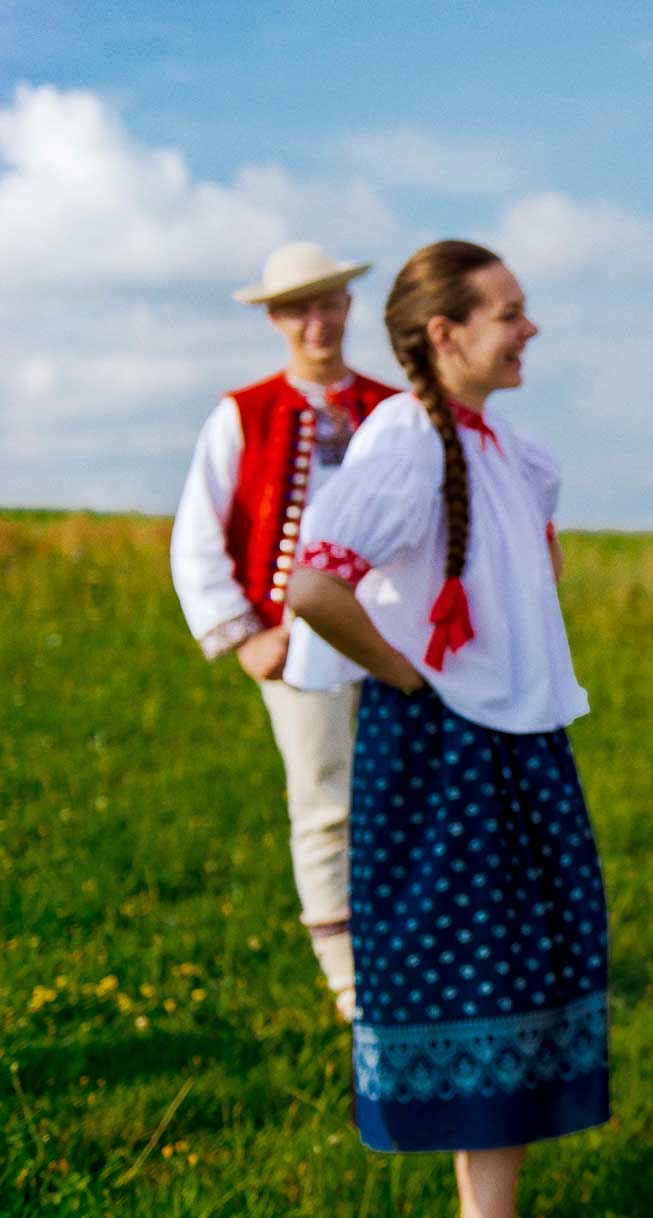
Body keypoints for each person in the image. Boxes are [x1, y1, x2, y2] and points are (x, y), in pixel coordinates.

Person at [284, 241, 609, 1218]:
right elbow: (313, 584)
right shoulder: (405, 439)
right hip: (445, 747)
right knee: (477, 974)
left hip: (509, 741)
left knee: (520, 964)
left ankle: (488, 1208)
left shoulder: (505, 450)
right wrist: (409, 676)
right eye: (508, 312)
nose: (529, 327)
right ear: (445, 333)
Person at [169, 242, 397, 1022]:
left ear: (347, 308)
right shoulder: (245, 412)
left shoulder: (388, 407)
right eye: (299, 306)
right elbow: (198, 533)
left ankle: (400, 948)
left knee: (395, 792)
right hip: (295, 645)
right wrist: (243, 635)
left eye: (328, 301)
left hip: (389, 639)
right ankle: (347, 976)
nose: (316, 319)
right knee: (325, 797)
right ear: (274, 319)